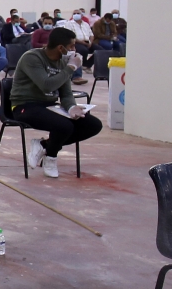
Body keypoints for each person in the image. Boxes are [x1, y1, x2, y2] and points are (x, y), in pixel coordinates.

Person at [10, 27, 103, 178]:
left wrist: (72, 107)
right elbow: (47, 85)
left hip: (49, 106)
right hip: (25, 105)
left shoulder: (62, 62)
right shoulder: (32, 58)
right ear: (61, 48)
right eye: (72, 46)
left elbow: (65, 92)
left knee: (92, 125)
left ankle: (44, 145)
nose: (74, 50)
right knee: (64, 126)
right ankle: (51, 158)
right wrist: (71, 67)